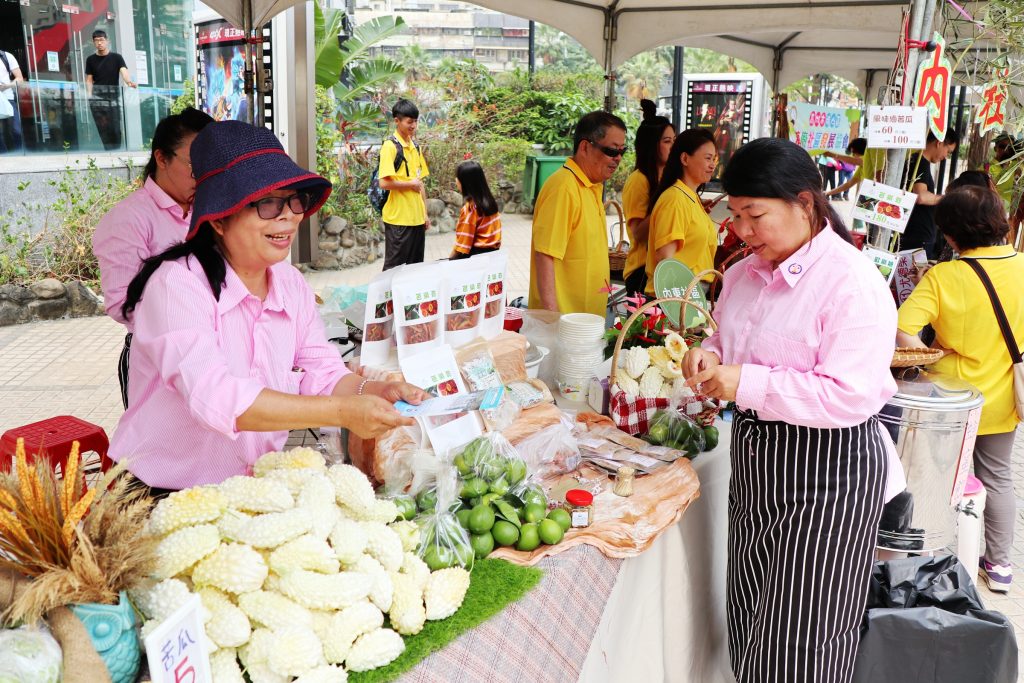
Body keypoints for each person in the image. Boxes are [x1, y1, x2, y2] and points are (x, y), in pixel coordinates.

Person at [683, 138, 904, 683]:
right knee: (751, 620)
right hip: (759, 467)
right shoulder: (739, 275)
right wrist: (707, 359)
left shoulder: (852, 283)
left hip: (830, 476)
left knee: (802, 645)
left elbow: (847, 395)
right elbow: (723, 343)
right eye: (733, 216)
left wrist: (743, 381)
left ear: (805, 204)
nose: (742, 231)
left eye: (755, 215)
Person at [108, 121, 425, 493]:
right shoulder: (176, 286)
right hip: (160, 491)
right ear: (220, 218)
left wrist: (369, 390)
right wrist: (341, 412)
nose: (288, 215)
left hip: (248, 486)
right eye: (268, 203)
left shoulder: (289, 284)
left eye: (294, 200)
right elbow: (216, 397)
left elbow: (321, 371)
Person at [896, 185, 1024, 593]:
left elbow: (902, 329)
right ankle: (1000, 566)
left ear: (950, 234)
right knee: (998, 477)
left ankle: (931, 552)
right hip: (1004, 397)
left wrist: (930, 355)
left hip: (949, 402)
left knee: (938, 476)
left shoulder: (945, 276)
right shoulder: (1022, 266)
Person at [93, 107, 215, 409]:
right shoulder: (128, 219)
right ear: (162, 158)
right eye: (194, 165)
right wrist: (186, 325)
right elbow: (122, 302)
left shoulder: (210, 210)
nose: (204, 176)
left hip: (213, 348)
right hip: (155, 359)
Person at [529, 110, 626, 316]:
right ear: (585, 147)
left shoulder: (591, 186)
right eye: (611, 150)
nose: (617, 158)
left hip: (585, 321)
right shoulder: (564, 188)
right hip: (563, 324)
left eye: (622, 152)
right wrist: (552, 318)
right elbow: (545, 255)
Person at [644, 128, 718, 296]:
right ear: (685, 158)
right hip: (675, 297)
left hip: (690, 294)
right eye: (707, 158)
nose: (712, 165)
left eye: (714, 159)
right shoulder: (675, 199)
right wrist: (674, 305)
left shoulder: (689, 197)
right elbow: (666, 260)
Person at [621, 112, 675, 296]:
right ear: (652, 145)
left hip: (662, 269)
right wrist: (667, 208)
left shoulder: (669, 179)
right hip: (642, 271)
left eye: (675, 140)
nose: (674, 146)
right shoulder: (639, 180)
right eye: (667, 141)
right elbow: (638, 233)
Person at [378, 98, 430, 270]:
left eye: (415, 121)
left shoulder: (415, 146)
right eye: (409, 121)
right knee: (394, 269)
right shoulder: (390, 146)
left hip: (416, 219)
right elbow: (384, 183)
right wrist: (409, 185)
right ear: (397, 121)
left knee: (415, 269)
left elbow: (419, 183)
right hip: (398, 220)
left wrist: (425, 214)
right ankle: (387, 298)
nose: (413, 126)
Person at [900, 129, 960, 259]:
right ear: (939, 143)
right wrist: (948, 199)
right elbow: (921, 196)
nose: (946, 157)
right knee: (913, 278)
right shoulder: (918, 162)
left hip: (918, 237)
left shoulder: (921, 162)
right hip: (916, 238)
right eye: (948, 152)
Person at [85, 30, 136, 150]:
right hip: (97, 100)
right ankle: (108, 152)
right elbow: (89, 80)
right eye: (96, 41)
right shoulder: (90, 60)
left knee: (115, 126)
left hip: (113, 98)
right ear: (93, 42)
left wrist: (129, 82)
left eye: (101, 40)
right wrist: (89, 96)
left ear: (107, 41)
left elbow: (123, 71)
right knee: (102, 128)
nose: (99, 43)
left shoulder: (117, 58)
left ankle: (118, 151)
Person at [450, 159, 501, 258]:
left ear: (465, 183)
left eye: (458, 177)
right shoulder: (490, 203)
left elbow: (462, 246)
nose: (456, 180)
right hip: (492, 256)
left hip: (475, 258)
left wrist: (449, 260)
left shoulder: (471, 209)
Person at [0, 47, 24, 153]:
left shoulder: (6, 56)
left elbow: (20, 78)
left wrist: (7, 86)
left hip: (7, 98)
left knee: (16, 130)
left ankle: (19, 155)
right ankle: (4, 158)